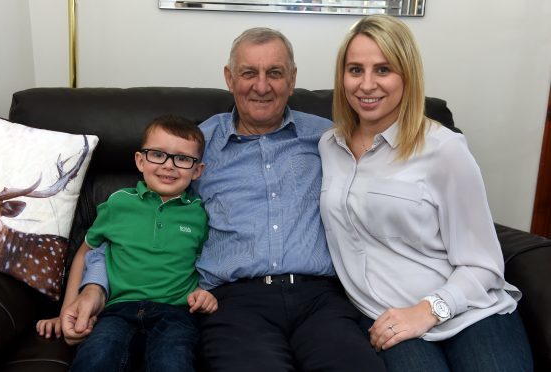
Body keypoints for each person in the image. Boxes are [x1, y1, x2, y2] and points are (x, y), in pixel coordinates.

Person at [60, 27, 386, 372]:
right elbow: (132, 226)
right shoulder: (194, 148)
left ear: (291, 80)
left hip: (321, 298)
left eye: (274, 73)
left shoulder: (330, 139)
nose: (261, 86)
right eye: (249, 73)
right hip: (235, 302)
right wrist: (92, 288)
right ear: (230, 79)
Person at [319, 14, 533, 371]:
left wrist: (429, 310)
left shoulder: (444, 149)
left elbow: (483, 263)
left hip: (468, 310)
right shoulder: (328, 145)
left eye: (383, 69)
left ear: (407, 75)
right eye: (355, 70)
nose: (367, 84)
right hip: (386, 317)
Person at [37, 115, 217, 371]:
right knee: (96, 357)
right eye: (158, 154)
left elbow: (205, 265)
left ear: (197, 170)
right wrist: (67, 309)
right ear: (140, 161)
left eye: (183, 159)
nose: (169, 166)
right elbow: (84, 254)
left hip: (175, 312)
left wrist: (204, 294)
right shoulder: (119, 203)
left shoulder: (199, 214)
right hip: (116, 309)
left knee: (173, 362)